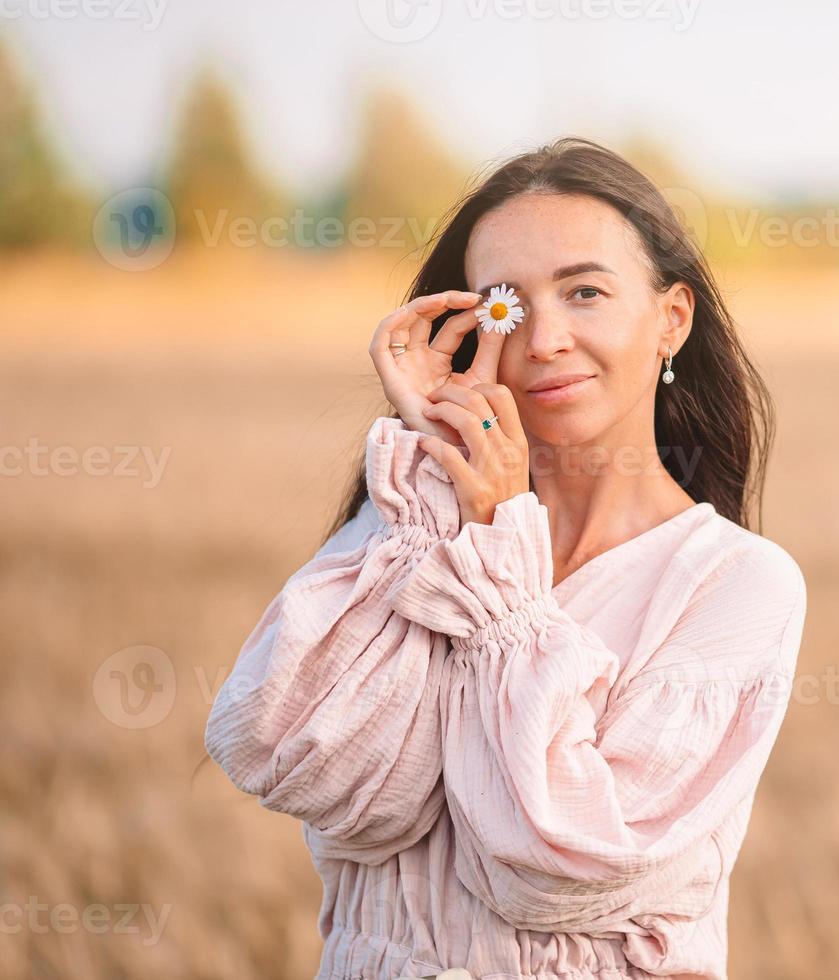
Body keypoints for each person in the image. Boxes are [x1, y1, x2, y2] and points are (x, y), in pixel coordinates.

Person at [204, 138, 807, 980]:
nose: (546, 338)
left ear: (672, 318)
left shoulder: (734, 583)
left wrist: (498, 550)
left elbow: (553, 863)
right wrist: (432, 496)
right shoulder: (408, 535)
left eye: (586, 291)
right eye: (504, 308)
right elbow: (289, 756)